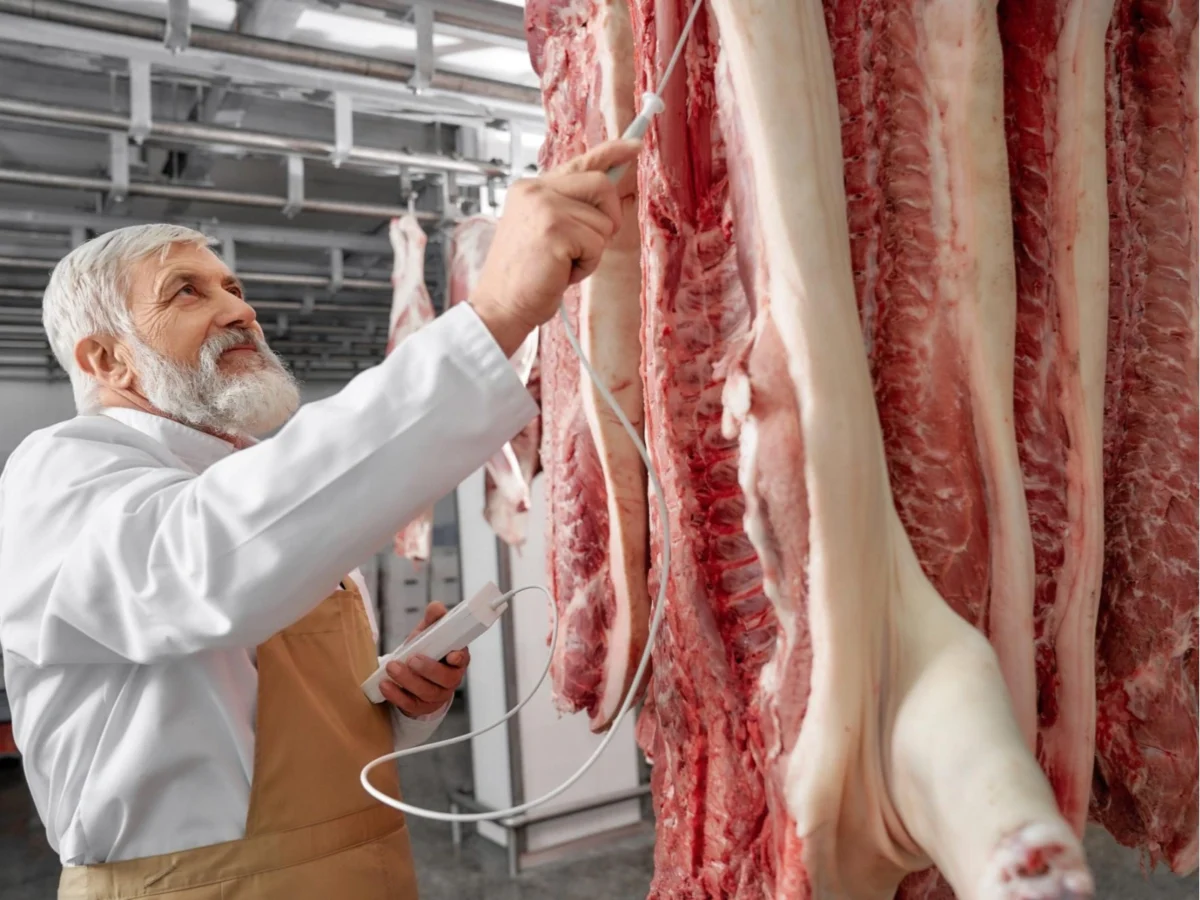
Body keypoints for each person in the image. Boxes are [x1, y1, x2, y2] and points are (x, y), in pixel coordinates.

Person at [0, 138, 642, 899]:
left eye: (233, 286)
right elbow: (203, 574)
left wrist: (401, 701)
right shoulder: (60, 471)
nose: (240, 308)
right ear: (106, 361)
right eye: (187, 292)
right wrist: (495, 314)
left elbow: (266, 710)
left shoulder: (244, 481)